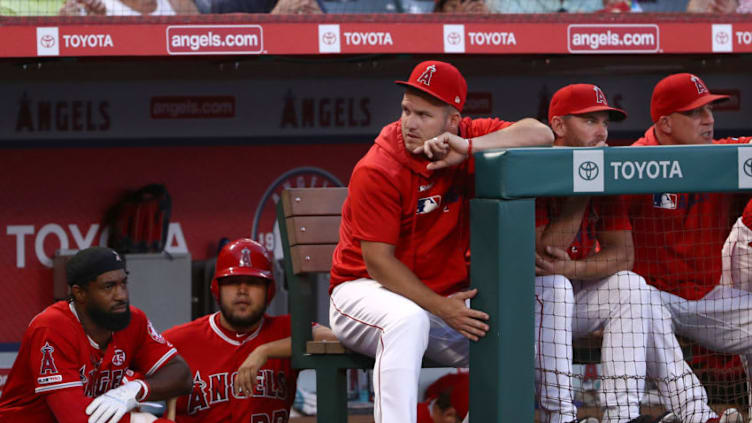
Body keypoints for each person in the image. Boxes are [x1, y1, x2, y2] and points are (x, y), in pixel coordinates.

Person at [328, 59, 554, 423]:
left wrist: (469, 147)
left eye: (424, 114)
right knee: (406, 320)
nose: (410, 123)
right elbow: (379, 264)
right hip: (363, 292)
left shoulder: (465, 135)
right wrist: (441, 307)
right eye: (406, 110)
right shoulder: (378, 167)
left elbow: (542, 134)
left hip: (437, 301)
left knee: (509, 337)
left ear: (452, 120)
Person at [538, 83, 734, 423]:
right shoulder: (537, 165)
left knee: (630, 285)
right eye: (589, 121)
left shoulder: (606, 165)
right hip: (529, 302)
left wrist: (574, 269)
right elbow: (546, 252)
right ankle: (561, 417)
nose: (601, 132)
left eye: (604, 122)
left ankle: (622, 415)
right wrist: (585, 189)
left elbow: (622, 256)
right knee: (554, 288)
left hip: (575, 294)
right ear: (558, 126)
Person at [625, 72, 752, 423]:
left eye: (709, 110)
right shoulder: (633, 163)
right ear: (665, 123)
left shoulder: (722, 156)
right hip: (651, 298)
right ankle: (697, 416)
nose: (709, 119)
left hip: (707, 295)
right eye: (695, 113)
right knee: (638, 299)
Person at [0, 246, 192, 423]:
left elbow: (181, 375)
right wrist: (138, 421)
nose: (121, 295)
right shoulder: (51, 328)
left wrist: (135, 390)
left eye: (123, 283)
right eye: (109, 286)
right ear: (80, 293)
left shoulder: (134, 321)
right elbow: (74, 418)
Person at [163, 238, 335, 422]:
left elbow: (335, 338)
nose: (242, 290)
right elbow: (132, 385)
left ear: (268, 291)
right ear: (217, 288)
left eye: (253, 282)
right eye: (233, 281)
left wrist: (266, 351)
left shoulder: (284, 330)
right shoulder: (180, 340)